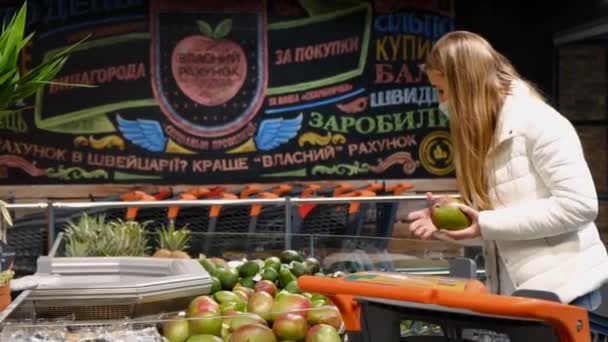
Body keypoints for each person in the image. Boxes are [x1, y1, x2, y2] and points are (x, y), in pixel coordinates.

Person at [408, 31, 608, 310]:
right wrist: (457, 222)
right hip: (521, 296)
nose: (440, 102)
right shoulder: (490, 134)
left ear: (466, 86)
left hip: (567, 295)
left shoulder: (540, 123)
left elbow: (579, 207)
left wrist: (486, 223)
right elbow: (506, 218)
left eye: (442, 91)